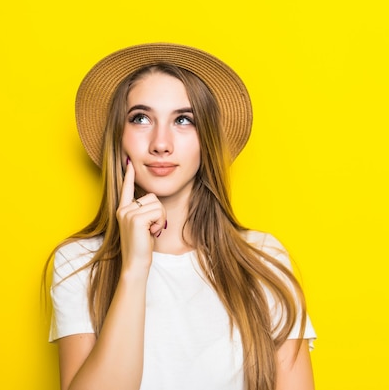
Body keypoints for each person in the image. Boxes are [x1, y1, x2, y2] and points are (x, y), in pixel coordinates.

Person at [46, 43, 316, 390]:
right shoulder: (79, 262)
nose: (161, 143)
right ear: (119, 138)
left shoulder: (262, 258)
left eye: (183, 120)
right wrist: (134, 268)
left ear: (207, 140)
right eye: (141, 118)